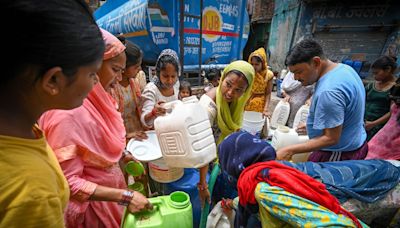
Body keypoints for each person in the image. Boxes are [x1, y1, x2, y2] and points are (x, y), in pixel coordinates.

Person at [0, 0, 104, 227]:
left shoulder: (25, 129)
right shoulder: (34, 191)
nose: (95, 83)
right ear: (53, 80)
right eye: (92, 74)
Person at [39, 29, 152, 227]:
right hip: (91, 214)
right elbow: (69, 183)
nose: (119, 78)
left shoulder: (100, 101)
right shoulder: (67, 113)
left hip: (109, 204)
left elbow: (96, 147)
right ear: (92, 66)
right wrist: (126, 196)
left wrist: (122, 155)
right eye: (115, 69)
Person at [276, 39, 367, 162]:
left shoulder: (329, 91)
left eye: (299, 72)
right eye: (293, 73)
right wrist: (315, 127)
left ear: (316, 62)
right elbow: (344, 114)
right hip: (355, 141)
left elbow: (331, 138)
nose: (296, 78)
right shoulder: (343, 69)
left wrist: (290, 150)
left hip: (338, 153)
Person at [197, 60, 255, 205]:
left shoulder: (237, 102)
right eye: (228, 84)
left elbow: (235, 128)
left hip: (220, 158)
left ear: (245, 91)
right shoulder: (208, 107)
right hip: (206, 162)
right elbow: (202, 149)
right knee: (209, 199)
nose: (230, 93)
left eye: (238, 90)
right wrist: (203, 184)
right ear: (221, 79)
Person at [111, 36, 147, 141]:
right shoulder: (111, 87)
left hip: (138, 134)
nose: (139, 69)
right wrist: (127, 136)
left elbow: (142, 107)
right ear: (123, 67)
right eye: (136, 66)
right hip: (121, 138)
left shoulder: (136, 81)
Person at [141, 49, 180, 129]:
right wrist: (153, 113)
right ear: (158, 73)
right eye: (165, 76)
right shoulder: (151, 90)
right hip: (157, 134)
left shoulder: (176, 84)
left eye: (173, 76)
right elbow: (145, 121)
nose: (170, 81)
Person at [364, 56, 397, 141]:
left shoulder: (395, 88)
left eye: (376, 73)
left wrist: (373, 124)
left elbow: (392, 112)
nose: (374, 76)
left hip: (379, 127)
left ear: (388, 70)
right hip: (364, 123)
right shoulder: (371, 85)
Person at [366, 78, 400, 160]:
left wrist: (374, 123)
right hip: (383, 137)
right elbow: (392, 113)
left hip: (394, 145)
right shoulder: (396, 93)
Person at [244, 47, 274, 117]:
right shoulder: (248, 73)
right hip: (246, 102)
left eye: (257, 64)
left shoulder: (268, 75)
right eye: (252, 64)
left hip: (260, 104)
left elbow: (268, 94)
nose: (254, 66)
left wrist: (266, 109)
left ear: (263, 63)